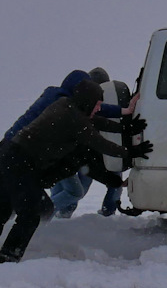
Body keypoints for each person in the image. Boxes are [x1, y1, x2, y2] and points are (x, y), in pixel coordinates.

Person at [0, 78, 150, 264]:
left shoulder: (66, 106)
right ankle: (6, 258)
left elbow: (96, 121)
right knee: (31, 214)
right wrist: (131, 152)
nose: (98, 108)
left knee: (2, 212)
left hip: (8, 157)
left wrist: (125, 127)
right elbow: (99, 142)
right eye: (97, 104)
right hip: (18, 163)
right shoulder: (74, 120)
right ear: (87, 101)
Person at [50, 74, 136, 217]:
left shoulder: (88, 107)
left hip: (84, 157)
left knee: (74, 190)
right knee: (75, 190)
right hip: (79, 156)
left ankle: (58, 215)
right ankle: (50, 215)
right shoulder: (82, 110)